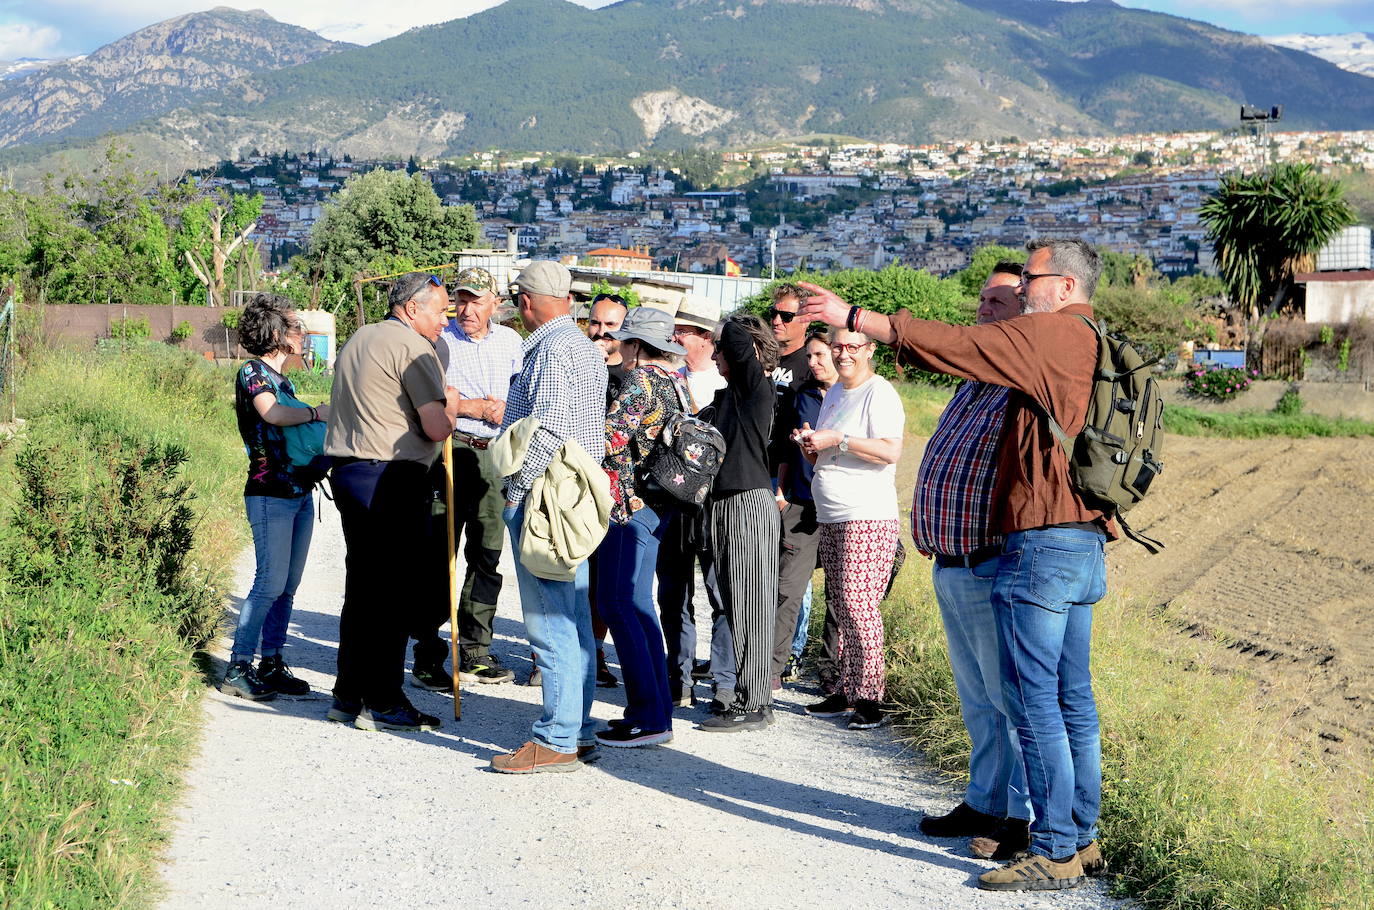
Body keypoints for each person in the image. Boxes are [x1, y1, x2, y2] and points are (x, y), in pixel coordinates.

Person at [798, 238, 1113, 891]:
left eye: (1025, 284)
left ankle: (1052, 845)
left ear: (1063, 286)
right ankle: (1075, 838)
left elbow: (955, 345)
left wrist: (854, 316)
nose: (1014, 297)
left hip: (1036, 547)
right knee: (1064, 698)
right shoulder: (1083, 341)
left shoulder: (1050, 336)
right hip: (1070, 541)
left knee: (1032, 701)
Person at [915, 263, 1034, 858]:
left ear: (1026, 313)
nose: (983, 309)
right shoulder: (972, 380)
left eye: (998, 302)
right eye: (982, 300)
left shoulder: (1018, 384)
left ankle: (1021, 817)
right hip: (952, 561)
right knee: (979, 700)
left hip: (989, 562)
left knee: (1011, 701)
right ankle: (983, 799)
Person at [325, 272, 460, 733]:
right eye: (440, 311)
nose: (446, 320)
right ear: (411, 308)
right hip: (392, 476)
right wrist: (453, 405)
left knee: (363, 589)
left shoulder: (359, 337)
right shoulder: (413, 347)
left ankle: (348, 695)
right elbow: (436, 427)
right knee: (393, 592)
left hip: (350, 471)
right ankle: (383, 700)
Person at [492, 260, 608, 773]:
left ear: (526, 300)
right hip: (572, 493)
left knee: (549, 618)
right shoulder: (580, 345)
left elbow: (551, 427)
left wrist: (516, 489)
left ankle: (557, 737)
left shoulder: (553, 349)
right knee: (574, 616)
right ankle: (577, 728)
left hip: (545, 495)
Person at [410, 267, 523, 690]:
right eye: (461, 299)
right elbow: (428, 397)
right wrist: (471, 407)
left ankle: (475, 649)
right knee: (438, 553)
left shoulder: (511, 343)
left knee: (487, 553)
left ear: (496, 303)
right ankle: (427, 651)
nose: (467, 309)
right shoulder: (440, 342)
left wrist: (508, 409)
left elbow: (524, 392)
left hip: (497, 454)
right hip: (452, 450)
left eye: (476, 300)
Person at [220, 293, 330, 701]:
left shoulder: (284, 379)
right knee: (268, 581)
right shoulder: (253, 371)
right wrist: (316, 412)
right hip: (270, 493)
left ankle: (271, 661)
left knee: (287, 586)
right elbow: (272, 414)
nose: (302, 333)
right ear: (275, 332)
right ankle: (238, 667)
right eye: (296, 326)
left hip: (299, 492)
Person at [794, 329, 904, 730]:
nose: (843, 354)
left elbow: (890, 450)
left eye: (852, 347)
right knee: (840, 605)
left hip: (867, 514)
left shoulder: (879, 392)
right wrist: (811, 444)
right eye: (838, 347)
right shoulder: (837, 392)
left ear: (869, 350)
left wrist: (839, 438)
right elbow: (829, 452)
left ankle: (871, 699)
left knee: (859, 607)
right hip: (832, 513)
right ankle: (846, 689)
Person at [593, 307, 688, 747]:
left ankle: (648, 718)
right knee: (637, 604)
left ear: (635, 345)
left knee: (616, 603)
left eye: (624, 340)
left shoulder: (641, 381)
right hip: (658, 504)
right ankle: (655, 713)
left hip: (626, 506)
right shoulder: (676, 382)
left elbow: (608, 438)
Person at [700, 313, 780, 733]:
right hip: (726, 504)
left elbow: (736, 335)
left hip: (747, 504)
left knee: (752, 607)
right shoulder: (730, 395)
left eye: (720, 348)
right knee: (734, 606)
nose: (715, 354)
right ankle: (746, 697)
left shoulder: (755, 386)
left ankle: (756, 703)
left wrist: (732, 323)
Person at [658, 295, 734, 708]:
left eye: (683, 331)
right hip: (673, 501)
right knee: (672, 594)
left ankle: (723, 681)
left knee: (721, 595)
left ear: (705, 337)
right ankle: (679, 677)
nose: (675, 337)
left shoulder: (726, 385)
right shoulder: (668, 380)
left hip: (714, 505)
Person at [770, 330, 837, 688]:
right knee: (787, 587)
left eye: (820, 355)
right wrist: (781, 493)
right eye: (809, 356)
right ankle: (772, 670)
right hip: (800, 500)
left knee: (839, 594)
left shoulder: (855, 395)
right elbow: (784, 447)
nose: (812, 362)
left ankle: (831, 671)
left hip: (841, 505)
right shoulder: (802, 394)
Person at [581, 292, 632, 690]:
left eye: (611, 325)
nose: (600, 332)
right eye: (595, 323)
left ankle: (595, 652)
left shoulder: (632, 378)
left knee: (603, 580)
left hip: (612, 491)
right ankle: (548, 657)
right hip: (574, 484)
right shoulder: (576, 366)